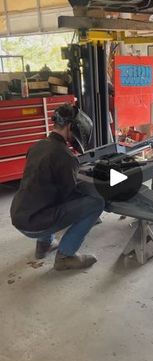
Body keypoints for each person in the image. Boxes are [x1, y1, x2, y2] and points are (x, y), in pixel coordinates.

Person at [10, 104, 105, 271]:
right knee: (96, 203)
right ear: (70, 127)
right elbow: (70, 196)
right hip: (36, 224)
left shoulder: (37, 146)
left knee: (47, 192)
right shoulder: (65, 156)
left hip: (19, 216)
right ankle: (65, 256)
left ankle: (44, 245)